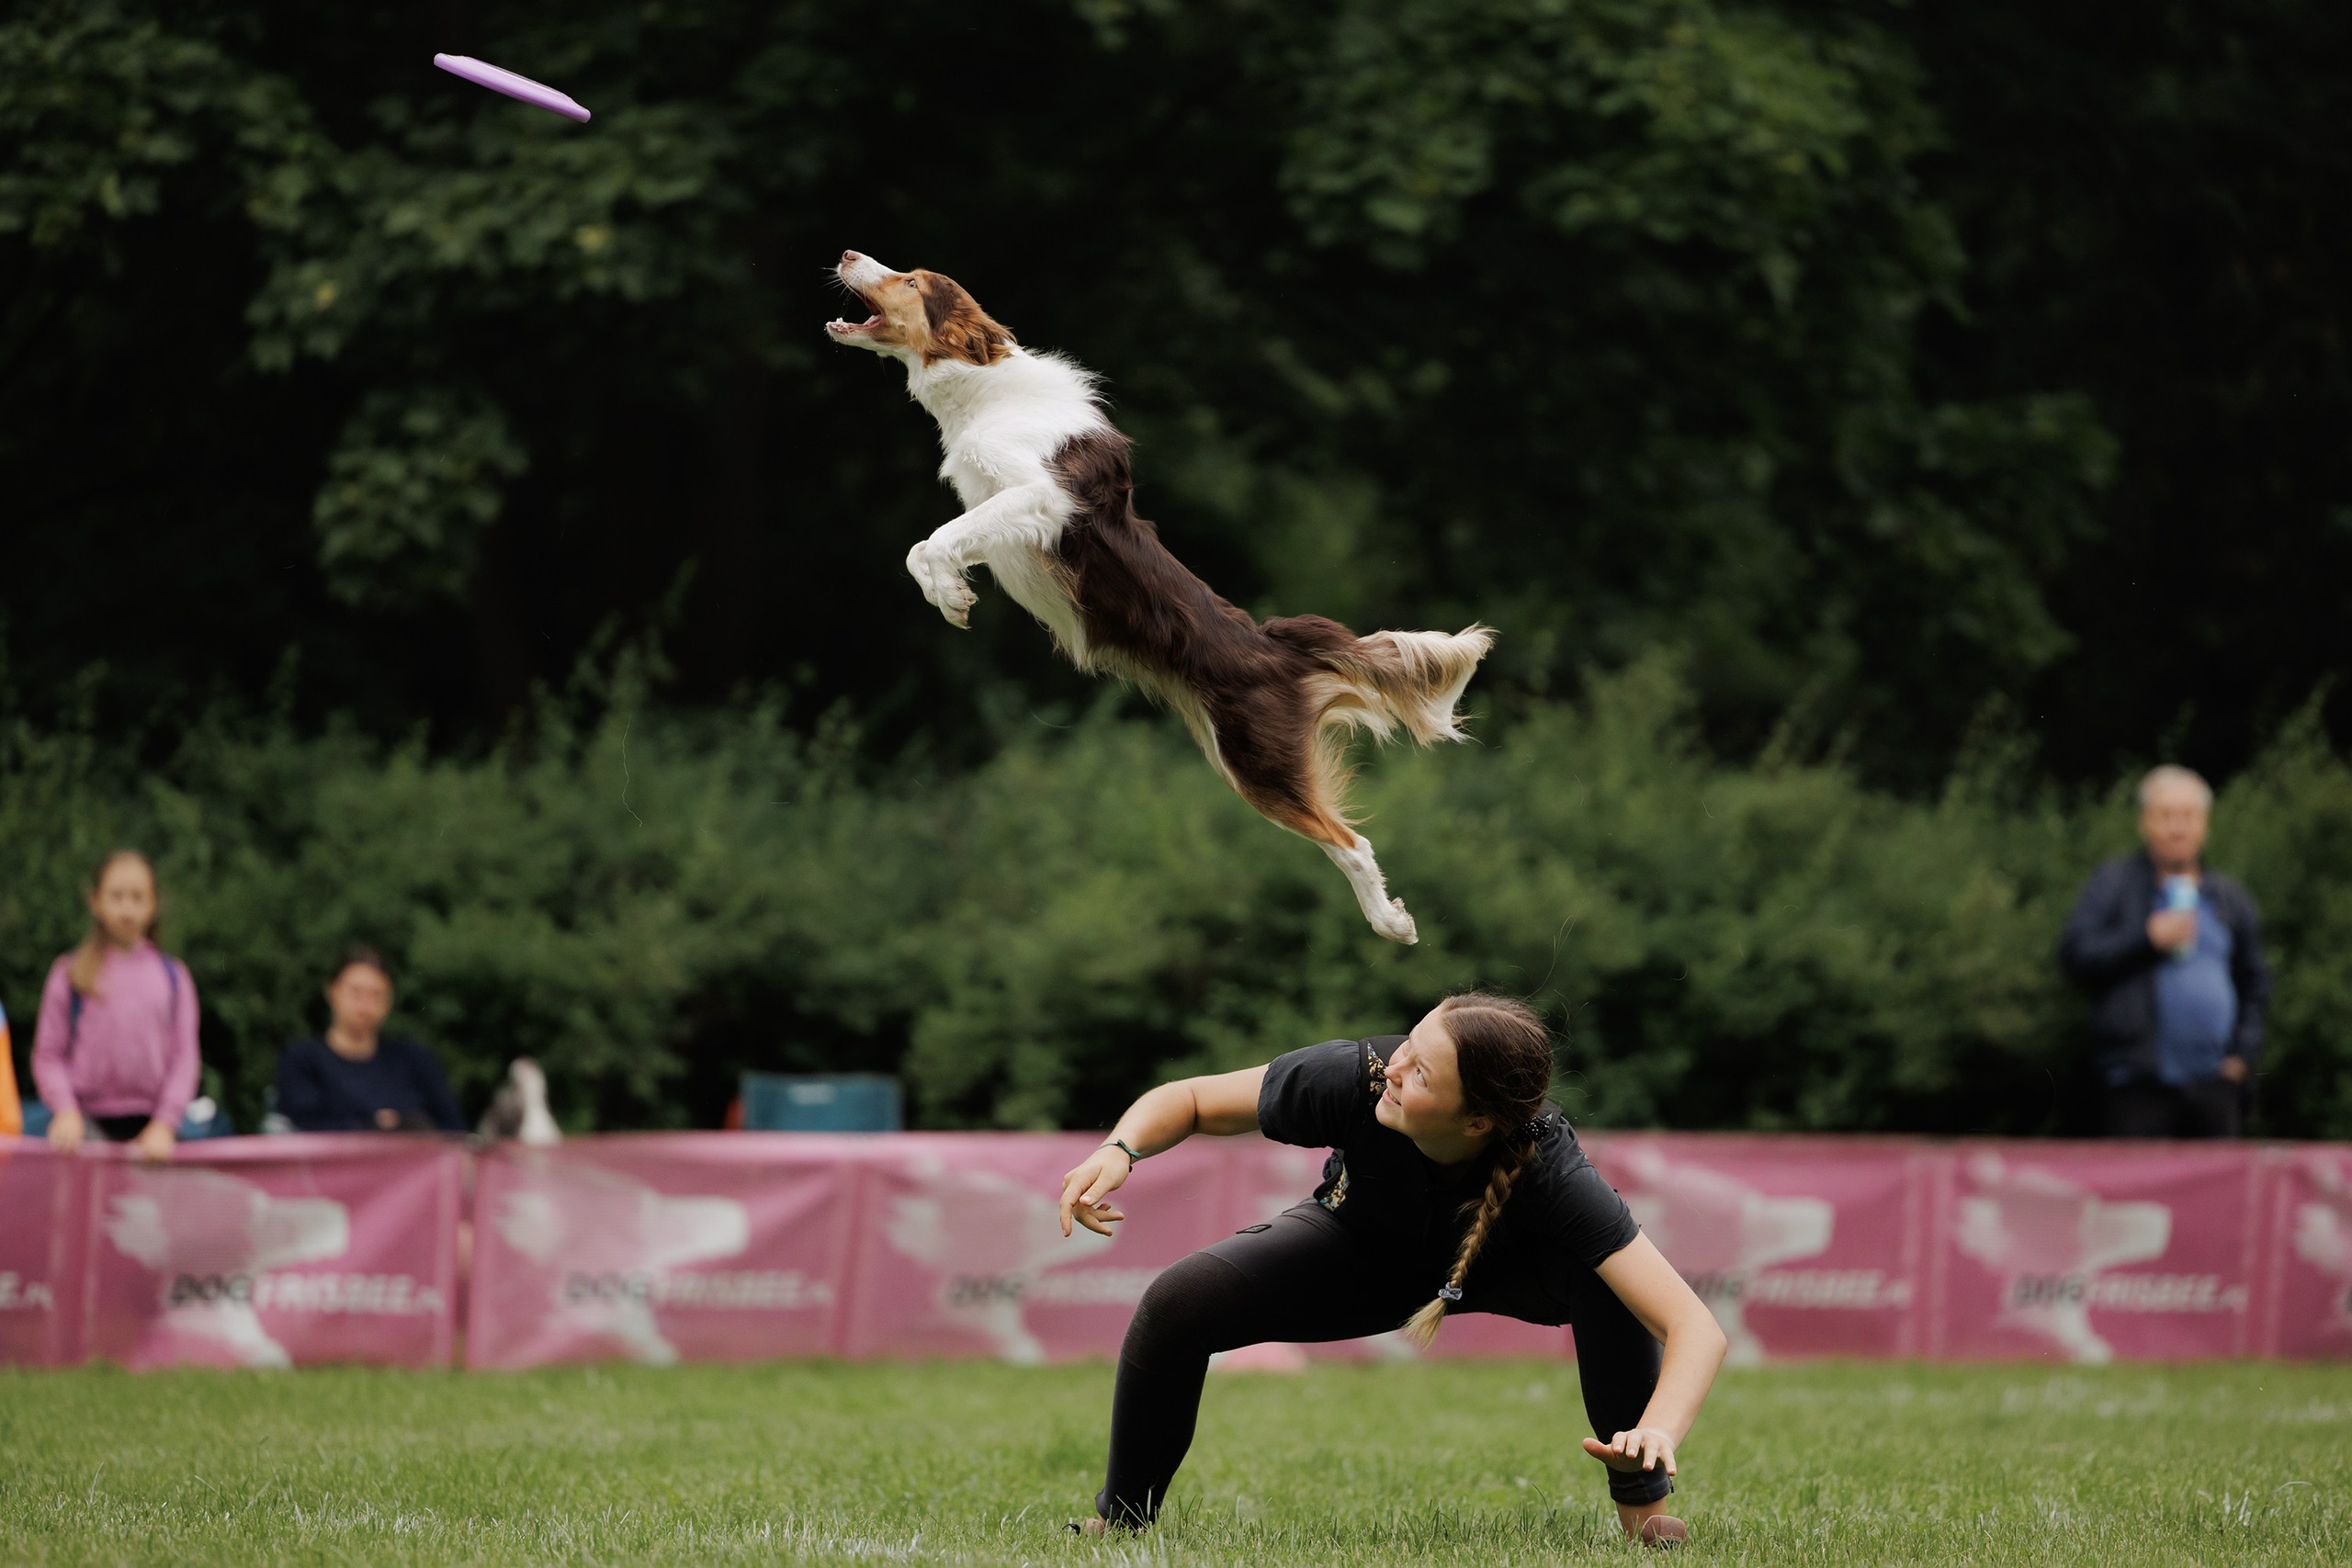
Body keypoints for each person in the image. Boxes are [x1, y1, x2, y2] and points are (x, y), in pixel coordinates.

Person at [1057, 993, 1727, 1545]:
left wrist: (1657, 1430)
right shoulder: (1357, 1075)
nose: (1396, 1068)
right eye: (1408, 1043)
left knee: (1607, 1282)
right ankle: (1120, 1523)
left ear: (1477, 1120)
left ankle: (1645, 1521)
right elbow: (1194, 1099)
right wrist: (1121, 1149)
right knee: (1177, 1302)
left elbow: (1695, 1327)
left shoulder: (1552, 1170)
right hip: (1360, 1250)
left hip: (1511, 1269)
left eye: (1423, 1072)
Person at [2060, 764, 2273, 1138]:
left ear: (2204, 824)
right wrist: (2146, 940)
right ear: (2144, 822)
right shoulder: (2115, 886)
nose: (2178, 828)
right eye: (2166, 816)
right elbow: (2076, 956)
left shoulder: (2227, 898)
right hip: (2137, 1085)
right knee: (2137, 1196)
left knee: (2217, 1195)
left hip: (2216, 1084)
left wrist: (2242, 1056)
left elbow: (2255, 982)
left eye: (2188, 816)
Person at [30, 850, 199, 1162]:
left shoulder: (174, 977)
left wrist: (165, 1124)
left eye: (137, 897)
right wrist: (66, 1111)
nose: (127, 907)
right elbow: (48, 1054)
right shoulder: (69, 974)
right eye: (116, 896)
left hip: (153, 1134)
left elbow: (185, 1058)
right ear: (95, 901)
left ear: (152, 905)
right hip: (83, 1130)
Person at [275, 948, 464, 1133]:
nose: (365, 1006)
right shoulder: (302, 1061)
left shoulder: (415, 1059)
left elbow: (454, 1130)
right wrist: (374, 1126)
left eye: (377, 995)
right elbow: (300, 1127)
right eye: (356, 993)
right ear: (332, 991)